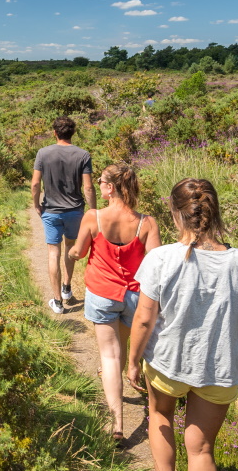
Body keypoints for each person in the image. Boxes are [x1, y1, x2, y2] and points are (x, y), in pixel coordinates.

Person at [126, 178, 238, 471]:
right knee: (202, 450)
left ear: (175, 213)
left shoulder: (161, 258)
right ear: (215, 211)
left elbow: (143, 318)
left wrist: (133, 360)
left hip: (167, 362)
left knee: (160, 415)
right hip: (220, 366)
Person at [67, 163, 160, 443]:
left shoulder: (93, 217)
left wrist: (71, 251)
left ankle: (116, 425)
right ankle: (149, 405)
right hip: (135, 296)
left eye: (101, 183)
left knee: (109, 356)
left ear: (109, 188)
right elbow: (156, 266)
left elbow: (79, 251)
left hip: (102, 293)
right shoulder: (147, 223)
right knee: (126, 351)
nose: (98, 187)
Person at [31, 116, 95, 314]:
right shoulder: (83, 155)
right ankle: (67, 288)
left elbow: (35, 184)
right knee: (70, 247)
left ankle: (57, 301)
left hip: (51, 211)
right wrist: (93, 212)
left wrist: (36, 205)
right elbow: (89, 188)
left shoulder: (43, 153)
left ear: (55, 132)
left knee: (53, 253)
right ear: (72, 133)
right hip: (74, 211)